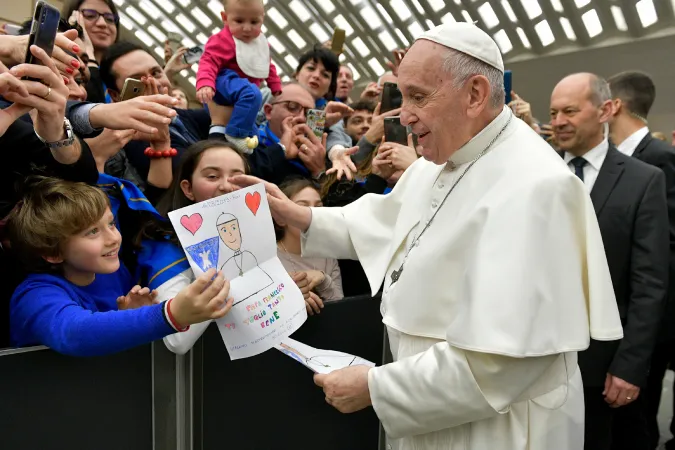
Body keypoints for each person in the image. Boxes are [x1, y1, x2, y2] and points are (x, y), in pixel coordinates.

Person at [230, 22, 622, 450]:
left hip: (499, 427)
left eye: (418, 96)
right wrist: (297, 214)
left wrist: (378, 388)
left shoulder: (536, 186)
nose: (402, 114)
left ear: (474, 94)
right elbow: (382, 222)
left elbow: (504, 362)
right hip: (431, 407)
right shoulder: (442, 157)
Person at [551, 73, 669, 450]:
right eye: (553, 113)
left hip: (602, 367)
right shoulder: (539, 173)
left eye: (570, 110)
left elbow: (650, 282)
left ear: (605, 110)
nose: (558, 121)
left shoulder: (643, 181)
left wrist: (630, 366)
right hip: (538, 359)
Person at [7, 177, 234, 357]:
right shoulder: (34, 296)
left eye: (110, 223)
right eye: (92, 232)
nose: (113, 238)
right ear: (52, 253)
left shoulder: (110, 270)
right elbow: (74, 333)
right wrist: (169, 314)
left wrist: (128, 315)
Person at [134, 140, 312, 355]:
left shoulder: (256, 233)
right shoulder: (164, 246)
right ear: (188, 188)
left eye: (236, 177)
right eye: (212, 176)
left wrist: (286, 290)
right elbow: (177, 341)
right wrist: (241, 287)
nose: (226, 185)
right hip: (200, 374)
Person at [607, 70, 675, 449]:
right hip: (619, 314)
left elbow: (664, 244)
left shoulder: (660, 158)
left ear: (613, 105)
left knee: (640, 419)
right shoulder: (614, 160)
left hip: (649, 317)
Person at [196, 0, 281, 153]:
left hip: (241, 98)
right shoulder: (222, 39)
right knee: (252, 94)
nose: (247, 28)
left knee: (253, 133)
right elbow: (208, 61)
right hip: (223, 83)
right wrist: (205, 83)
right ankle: (235, 134)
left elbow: (267, 64)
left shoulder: (261, 43)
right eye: (239, 21)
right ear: (225, 17)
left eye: (254, 22)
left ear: (263, 19)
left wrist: (275, 85)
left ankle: (243, 148)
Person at [275, 178, 343, 313]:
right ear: (281, 218)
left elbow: (340, 307)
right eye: (302, 206)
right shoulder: (266, 257)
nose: (312, 214)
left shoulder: (327, 254)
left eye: (318, 207)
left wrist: (323, 279)